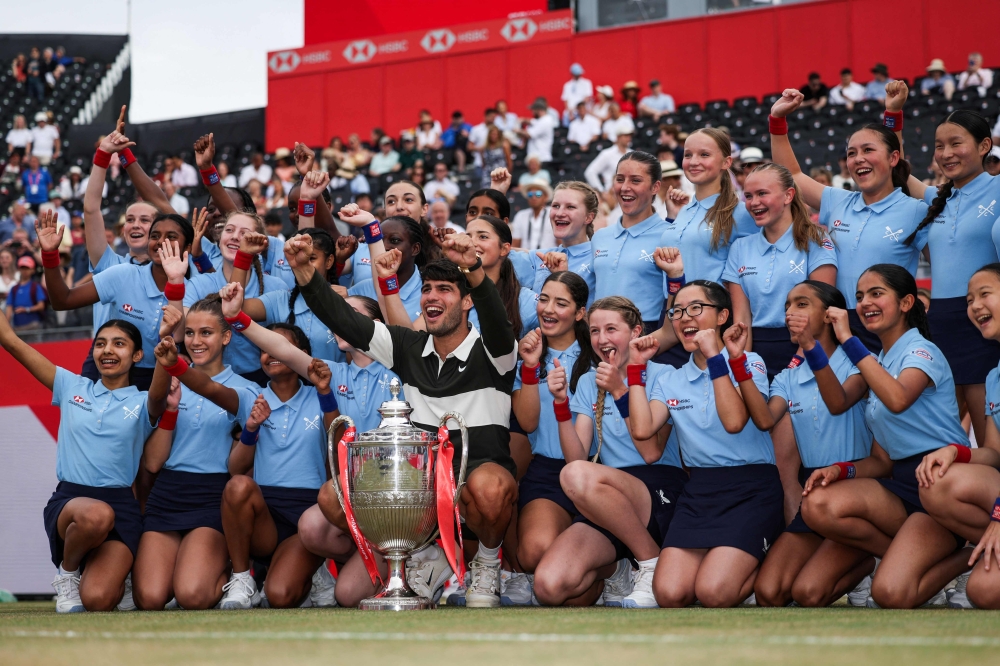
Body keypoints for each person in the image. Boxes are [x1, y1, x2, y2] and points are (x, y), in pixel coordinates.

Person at [287, 228, 520, 608]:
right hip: (420, 488)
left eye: (445, 289)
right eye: (428, 289)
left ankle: (488, 564)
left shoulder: (495, 350)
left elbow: (496, 316)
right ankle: (422, 557)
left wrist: (474, 268)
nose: (432, 296)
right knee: (333, 496)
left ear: (466, 303)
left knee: (490, 487)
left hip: (476, 482)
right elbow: (346, 321)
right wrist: (306, 275)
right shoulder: (408, 346)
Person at [800, 264, 972, 609]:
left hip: (943, 485)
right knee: (817, 506)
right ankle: (898, 557)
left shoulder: (921, 351)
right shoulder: (880, 359)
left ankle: (967, 555)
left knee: (891, 595)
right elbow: (879, 458)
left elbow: (896, 398)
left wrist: (848, 340)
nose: (865, 303)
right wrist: (841, 470)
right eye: (860, 296)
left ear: (907, 302)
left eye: (877, 293)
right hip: (902, 487)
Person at [219, 284, 401, 608]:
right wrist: (238, 318)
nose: (342, 321)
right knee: (322, 539)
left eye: (353, 315)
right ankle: (353, 561)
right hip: (346, 492)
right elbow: (282, 349)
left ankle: (411, 557)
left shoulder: (400, 370)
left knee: (343, 588)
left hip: (391, 491)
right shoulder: (329, 372)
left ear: (377, 325)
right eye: (339, 316)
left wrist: (374, 238)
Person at [153, 318, 336, 610]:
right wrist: (250, 427)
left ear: (301, 353)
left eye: (281, 346)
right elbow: (235, 466)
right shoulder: (253, 395)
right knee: (237, 486)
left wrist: (325, 392)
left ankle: (314, 569)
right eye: (264, 348)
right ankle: (242, 578)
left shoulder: (323, 394)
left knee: (279, 596)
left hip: (307, 516)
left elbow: (336, 442)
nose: (271, 353)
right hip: (264, 514)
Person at [0, 313, 169, 612]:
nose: (108, 350)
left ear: (137, 355)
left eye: (119, 344)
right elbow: (12, 343)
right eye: (101, 344)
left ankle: (119, 576)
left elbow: (158, 396)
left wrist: (166, 362)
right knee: (96, 515)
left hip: (121, 508)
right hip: (70, 502)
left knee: (97, 600)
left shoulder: (142, 402)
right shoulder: (70, 386)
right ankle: (68, 573)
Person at [628, 281, 782, 608]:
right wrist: (636, 369)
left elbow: (734, 422)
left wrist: (715, 357)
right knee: (669, 594)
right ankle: (739, 566)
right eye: (678, 311)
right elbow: (642, 429)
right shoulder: (670, 378)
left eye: (697, 308)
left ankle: (763, 567)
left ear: (723, 315)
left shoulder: (748, 361)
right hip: (700, 491)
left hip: (751, 488)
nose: (685, 318)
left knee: (714, 593)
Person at [532, 296, 683, 608]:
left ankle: (651, 562)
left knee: (577, 476)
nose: (602, 339)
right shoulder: (589, 380)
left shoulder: (665, 375)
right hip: (603, 497)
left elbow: (651, 452)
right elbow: (576, 460)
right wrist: (561, 404)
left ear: (636, 332)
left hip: (657, 490)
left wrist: (619, 390)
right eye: (595, 331)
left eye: (611, 329)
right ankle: (619, 569)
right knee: (549, 586)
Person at [768, 87, 928, 353]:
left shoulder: (915, 210)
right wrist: (777, 121)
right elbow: (792, 175)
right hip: (838, 325)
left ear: (893, 158)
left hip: (889, 326)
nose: (858, 159)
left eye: (868, 150)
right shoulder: (838, 201)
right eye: (852, 153)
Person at [745, 281, 876, 607]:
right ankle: (855, 561)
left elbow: (837, 402)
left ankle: (869, 560)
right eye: (788, 305)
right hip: (814, 495)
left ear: (831, 316)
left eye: (802, 304)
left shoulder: (861, 361)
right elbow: (764, 420)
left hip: (857, 488)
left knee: (808, 594)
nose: (790, 312)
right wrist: (737, 361)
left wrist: (809, 346)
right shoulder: (789, 376)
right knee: (769, 593)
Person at [132, 298, 262, 611]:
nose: (195, 341)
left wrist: (176, 366)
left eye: (206, 333)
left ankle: (240, 575)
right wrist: (172, 410)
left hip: (211, 497)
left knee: (192, 595)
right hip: (168, 493)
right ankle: (185, 570)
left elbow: (213, 391)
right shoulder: (172, 381)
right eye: (189, 333)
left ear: (226, 337)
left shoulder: (245, 390)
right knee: (149, 599)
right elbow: (151, 462)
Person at [896, 107, 1000, 447]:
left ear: (985, 145)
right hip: (939, 322)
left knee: (989, 439)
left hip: (983, 319)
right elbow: (897, 167)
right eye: (939, 146)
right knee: (939, 437)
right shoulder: (936, 199)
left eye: (956, 143)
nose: (946, 154)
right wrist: (894, 113)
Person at [917, 263, 1000, 609]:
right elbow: (994, 454)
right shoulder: (994, 375)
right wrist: (955, 451)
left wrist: (998, 516)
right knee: (936, 480)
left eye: (985, 294)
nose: (975, 306)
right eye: (969, 300)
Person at [510, 273, 597, 593]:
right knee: (533, 553)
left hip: (597, 471)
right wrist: (531, 368)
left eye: (561, 303)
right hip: (548, 470)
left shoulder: (598, 353)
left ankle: (614, 568)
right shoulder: (527, 355)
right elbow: (528, 423)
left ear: (579, 313)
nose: (548, 309)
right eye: (543, 299)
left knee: (573, 594)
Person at [722, 162, 838, 378]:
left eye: (762, 193)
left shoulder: (817, 240)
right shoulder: (739, 248)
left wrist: (798, 361)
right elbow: (742, 319)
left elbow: (821, 314)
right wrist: (744, 371)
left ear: (788, 195)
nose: (754, 203)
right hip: (756, 351)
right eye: (748, 196)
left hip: (806, 347)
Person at [185, 212, 287, 383]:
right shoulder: (198, 284)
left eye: (244, 233)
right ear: (219, 237)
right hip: (208, 378)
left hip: (262, 380)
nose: (234, 237)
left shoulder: (276, 287)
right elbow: (181, 334)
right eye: (229, 230)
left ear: (259, 244)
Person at [591, 151, 667, 334]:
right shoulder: (600, 237)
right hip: (599, 336)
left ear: (655, 187)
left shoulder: (669, 235)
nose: (625, 187)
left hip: (646, 335)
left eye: (635, 180)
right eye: (620, 179)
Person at [528, 181, 599, 304]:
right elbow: (499, 249)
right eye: (555, 206)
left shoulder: (600, 257)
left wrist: (563, 276)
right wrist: (498, 191)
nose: (559, 213)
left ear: (588, 217)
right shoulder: (539, 256)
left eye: (570, 207)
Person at [585, 125, 634, 199]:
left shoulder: (632, 154)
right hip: (612, 194)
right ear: (618, 137)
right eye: (626, 136)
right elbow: (590, 172)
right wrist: (601, 191)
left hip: (630, 193)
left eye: (630, 136)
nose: (629, 138)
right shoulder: (607, 153)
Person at [511, 180, 555, 251]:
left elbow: (561, 243)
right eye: (530, 194)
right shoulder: (520, 215)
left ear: (546, 197)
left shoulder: (553, 213)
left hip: (549, 259)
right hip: (525, 259)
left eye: (538, 194)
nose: (533, 197)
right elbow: (515, 244)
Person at [5, 255, 46, 330]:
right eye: (22, 268)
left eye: (27, 268)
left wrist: (26, 309)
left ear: (33, 270)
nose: (25, 271)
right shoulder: (14, 289)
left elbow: (41, 306)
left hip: (33, 325)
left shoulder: (36, 287)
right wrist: (6, 327)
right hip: (17, 326)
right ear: (19, 269)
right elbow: (9, 308)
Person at [519, 100, 555, 164]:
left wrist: (515, 129)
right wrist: (523, 120)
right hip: (535, 158)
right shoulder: (541, 120)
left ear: (539, 110)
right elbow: (532, 121)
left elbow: (529, 134)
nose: (532, 112)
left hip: (542, 159)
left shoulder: (546, 121)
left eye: (533, 110)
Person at [478, 125, 511, 190]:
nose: (494, 136)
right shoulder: (484, 148)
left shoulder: (504, 146)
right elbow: (483, 163)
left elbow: (509, 162)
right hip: (487, 174)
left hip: (500, 174)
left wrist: (507, 175)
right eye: (492, 134)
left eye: (496, 134)